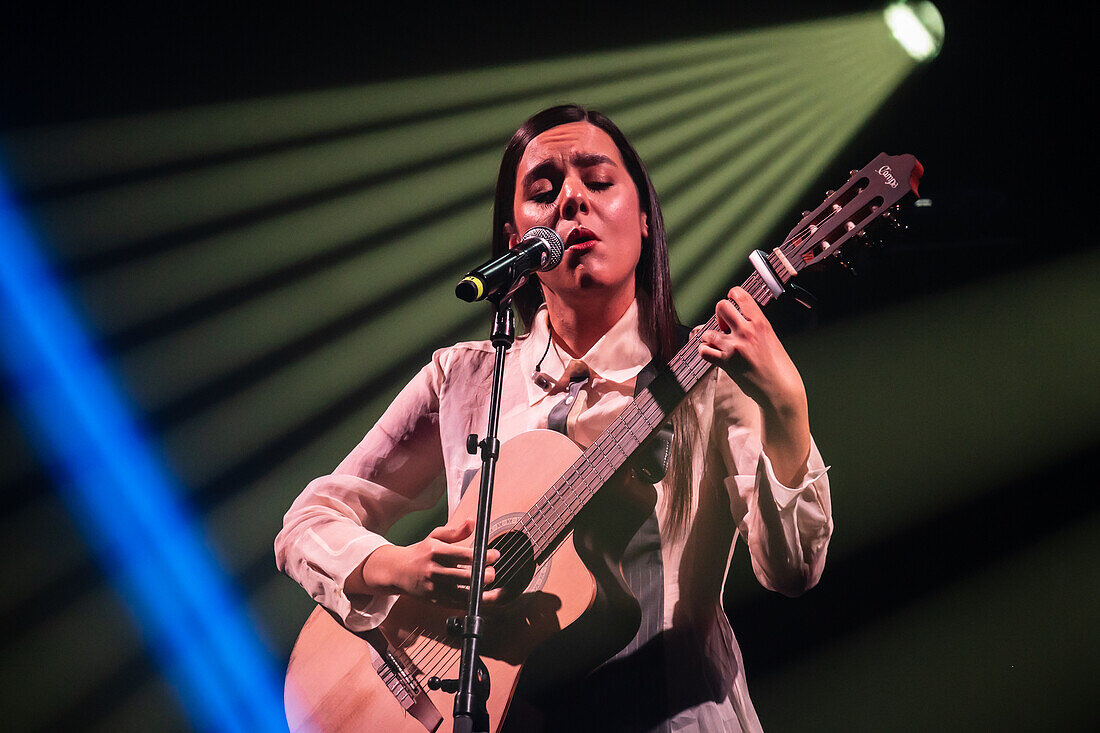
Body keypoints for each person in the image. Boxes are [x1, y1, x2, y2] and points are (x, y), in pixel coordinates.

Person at [275, 104, 832, 732]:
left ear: (645, 220)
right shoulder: (464, 379)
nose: (571, 201)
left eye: (598, 182)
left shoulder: (711, 377)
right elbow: (309, 521)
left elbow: (792, 573)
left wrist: (787, 408)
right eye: (544, 191)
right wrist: (402, 570)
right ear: (517, 242)